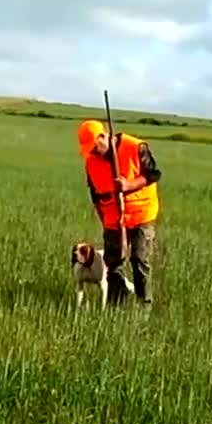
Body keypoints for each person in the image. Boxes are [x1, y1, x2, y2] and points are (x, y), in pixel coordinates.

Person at [77, 119, 162, 310]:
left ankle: (144, 308)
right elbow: (95, 196)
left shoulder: (135, 147)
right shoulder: (91, 162)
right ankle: (116, 307)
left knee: (139, 260)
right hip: (113, 220)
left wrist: (128, 185)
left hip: (142, 214)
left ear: (103, 136)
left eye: (94, 147)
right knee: (113, 264)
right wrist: (105, 223)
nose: (92, 152)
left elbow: (153, 174)